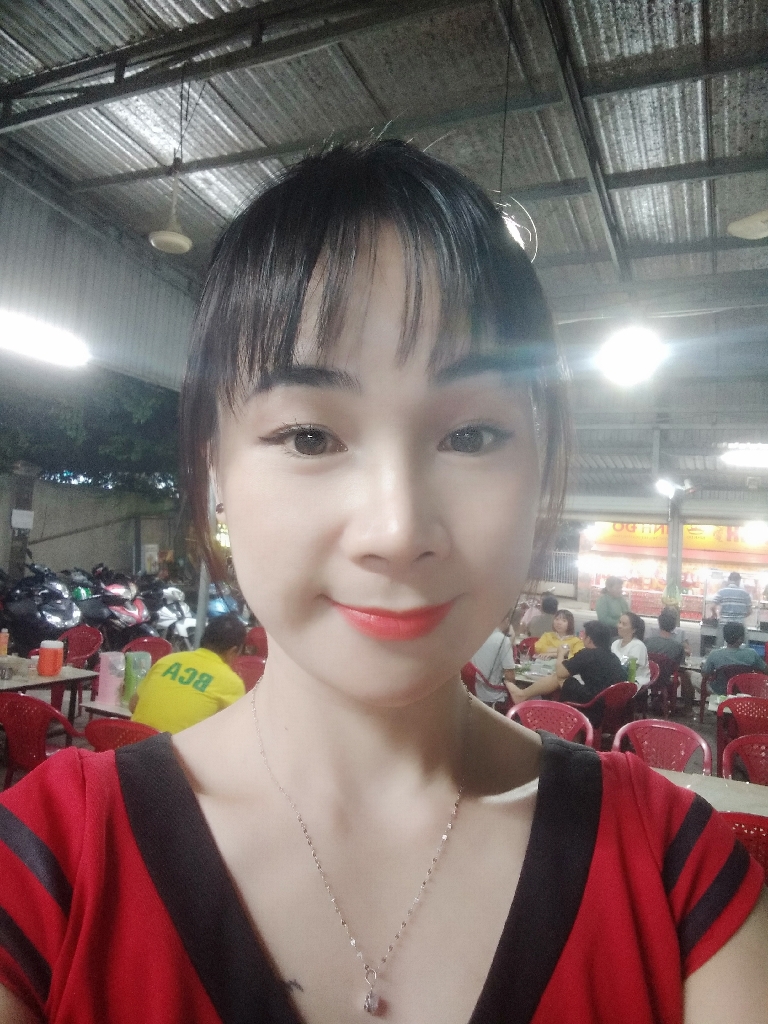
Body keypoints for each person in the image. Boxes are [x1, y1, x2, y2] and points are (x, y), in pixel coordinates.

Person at [0, 141, 766, 1024]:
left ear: (544, 466)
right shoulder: (52, 866)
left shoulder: (676, 876)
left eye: (471, 436)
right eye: (310, 437)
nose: (397, 533)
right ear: (216, 477)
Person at [130, 614, 247, 733]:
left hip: (132, 740)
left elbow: (133, 705)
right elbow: (236, 732)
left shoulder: (167, 660)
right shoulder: (232, 683)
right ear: (233, 651)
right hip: (174, 745)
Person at [507, 619, 627, 720]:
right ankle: (523, 695)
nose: (582, 638)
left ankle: (523, 695)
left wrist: (561, 654)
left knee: (560, 677)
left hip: (592, 703)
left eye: (584, 635)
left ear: (589, 639)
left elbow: (560, 672)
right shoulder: (613, 657)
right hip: (610, 707)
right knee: (567, 678)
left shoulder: (588, 654)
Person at [646, 607, 695, 711]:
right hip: (666, 679)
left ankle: (655, 701)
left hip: (647, 677)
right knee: (685, 675)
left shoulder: (647, 642)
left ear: (659, 622)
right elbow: (680, 665)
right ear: (674, 625)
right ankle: (687, 708)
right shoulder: (678, 647)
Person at [701, 621, 768, 695]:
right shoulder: (752, 653)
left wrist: (703, 667)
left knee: (693, 676)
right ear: (741, 638)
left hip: (720, 692)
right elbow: (765, 670)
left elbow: (705, 674)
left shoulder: (714, 654)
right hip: (744, 692)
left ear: (724, 636)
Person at [468, 623, 516, 711]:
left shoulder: (474, 636)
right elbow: (510, 676)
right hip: (492, 697)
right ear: (506, 620)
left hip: (472, 691)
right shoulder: (502, 640)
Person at [712, 571, 753, 646]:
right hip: (740, 624)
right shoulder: (745, 593)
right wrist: (740, 616)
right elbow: (750, 611)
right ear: (739, 580)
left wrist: (715, 615)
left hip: (724, 623)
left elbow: (712, 607)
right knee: (742, 647)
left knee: (720, 645)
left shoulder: (721, 592)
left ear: (729, 580)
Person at [611, 611, 651, 686]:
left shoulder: (638, 646)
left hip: (634, 683)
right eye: (619, 622)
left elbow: (631, 673)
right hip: (617, 680)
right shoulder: (615, 643)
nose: (619, 626)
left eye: (624, 624)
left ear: (633, 630)